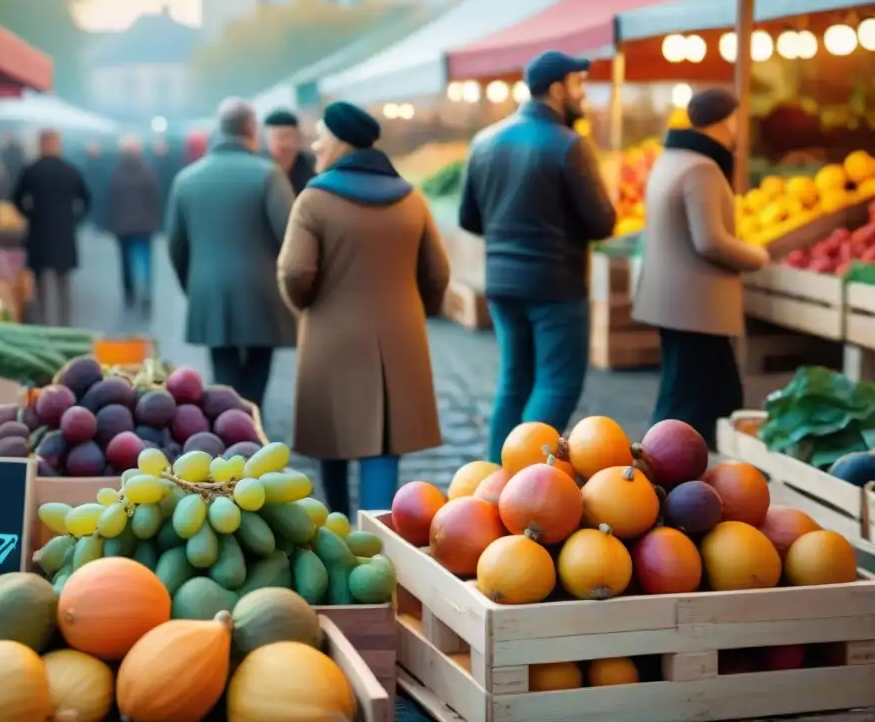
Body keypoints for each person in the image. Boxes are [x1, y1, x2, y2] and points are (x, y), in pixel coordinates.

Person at [278, 102, 450, 515]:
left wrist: (304, 307)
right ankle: (379, 540)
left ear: (338, 141)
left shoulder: (314, 200)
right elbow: (438, 274)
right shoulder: (411, 198)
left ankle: (337, 525)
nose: (315, 144)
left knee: (330, 439)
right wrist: (415, 310)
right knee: (384, 444)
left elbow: (294, 272)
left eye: (320, 135)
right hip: (400, 338)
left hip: (331, 337)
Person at [459, 51, 616, 462]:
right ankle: (524, 478)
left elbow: (469, 218)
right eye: (579, 83)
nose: (584, 93)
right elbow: (602, 223)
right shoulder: (569, 145)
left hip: (502, 284)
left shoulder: (484, 141)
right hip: (555, 285)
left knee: (514, 382)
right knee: (557, 384)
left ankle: (494, 478)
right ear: (558, 88)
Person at [633, 89, 769, 449]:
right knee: (704, 396)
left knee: (683, 388)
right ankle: (671, 465)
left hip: (673, 301)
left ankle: (661, 460)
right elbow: (710, 241)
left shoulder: (672, 158)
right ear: (727, 121)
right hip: (697, 306)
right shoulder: (702, 168)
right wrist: (758, 256)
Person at [167, 98, 296, 411]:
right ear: (252, 129)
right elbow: (292, 236)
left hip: (208, 287)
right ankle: (251, 420)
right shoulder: (269, 174)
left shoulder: (186, 179)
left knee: (222, 366)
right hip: (263, 288)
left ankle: (230, 426)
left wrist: (193, 285)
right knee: (259, 363)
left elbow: (176, 245)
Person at [12, 130, 91, 326]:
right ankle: (65, 323)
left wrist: (30, 214)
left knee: (40, 282)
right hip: (64, 233)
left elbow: (16, 198)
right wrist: (74, 219)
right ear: (58, 145)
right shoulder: (70, 170)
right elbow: (86, 199)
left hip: (39, 232)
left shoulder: (31, 170)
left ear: (41, 145)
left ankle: (44, 322)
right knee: (63, 280)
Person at [107, 136, 161, 319]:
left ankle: (129, 295)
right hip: (145, 225)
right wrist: (155, 220)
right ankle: (146, 295)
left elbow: (111, 201)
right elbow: (154, 199)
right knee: (145, 261)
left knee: (125, 262)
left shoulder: (116, 173)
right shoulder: (148, 172)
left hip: (122, 226)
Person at [263, 109, 316, 195]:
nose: (285, 144)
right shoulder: (259, 168)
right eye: (280, 138)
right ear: (266, 140)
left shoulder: (312, 166)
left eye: (290, 137)